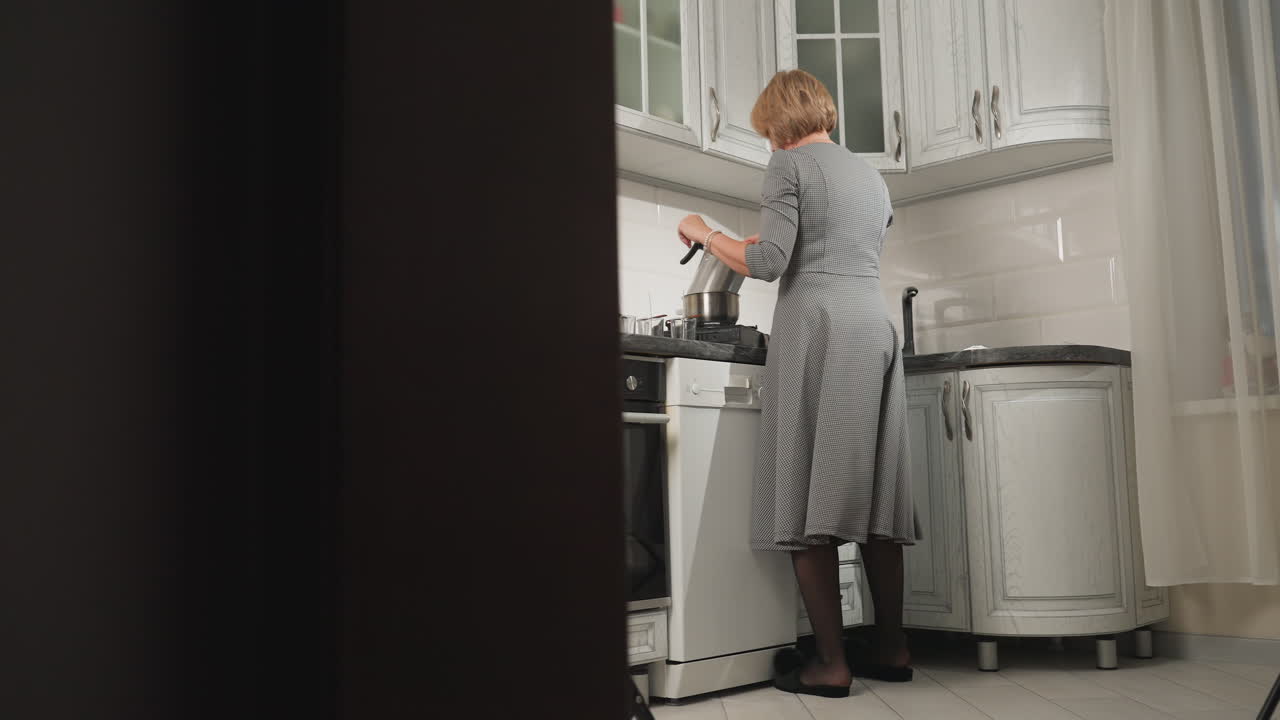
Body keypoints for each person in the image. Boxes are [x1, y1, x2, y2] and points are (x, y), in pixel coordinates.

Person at [674, 69, 918, 698]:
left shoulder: (788, 165)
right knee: (874, 493)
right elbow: (822, 245)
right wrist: (754, 241)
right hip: (873, 325)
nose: (768, 145)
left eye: (766, 134)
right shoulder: (868, 173)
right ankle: (892, 648)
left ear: (777, 124)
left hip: (819, 325)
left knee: (803, 484)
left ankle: (830, 665)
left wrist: (703, 231)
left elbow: (768, 263)